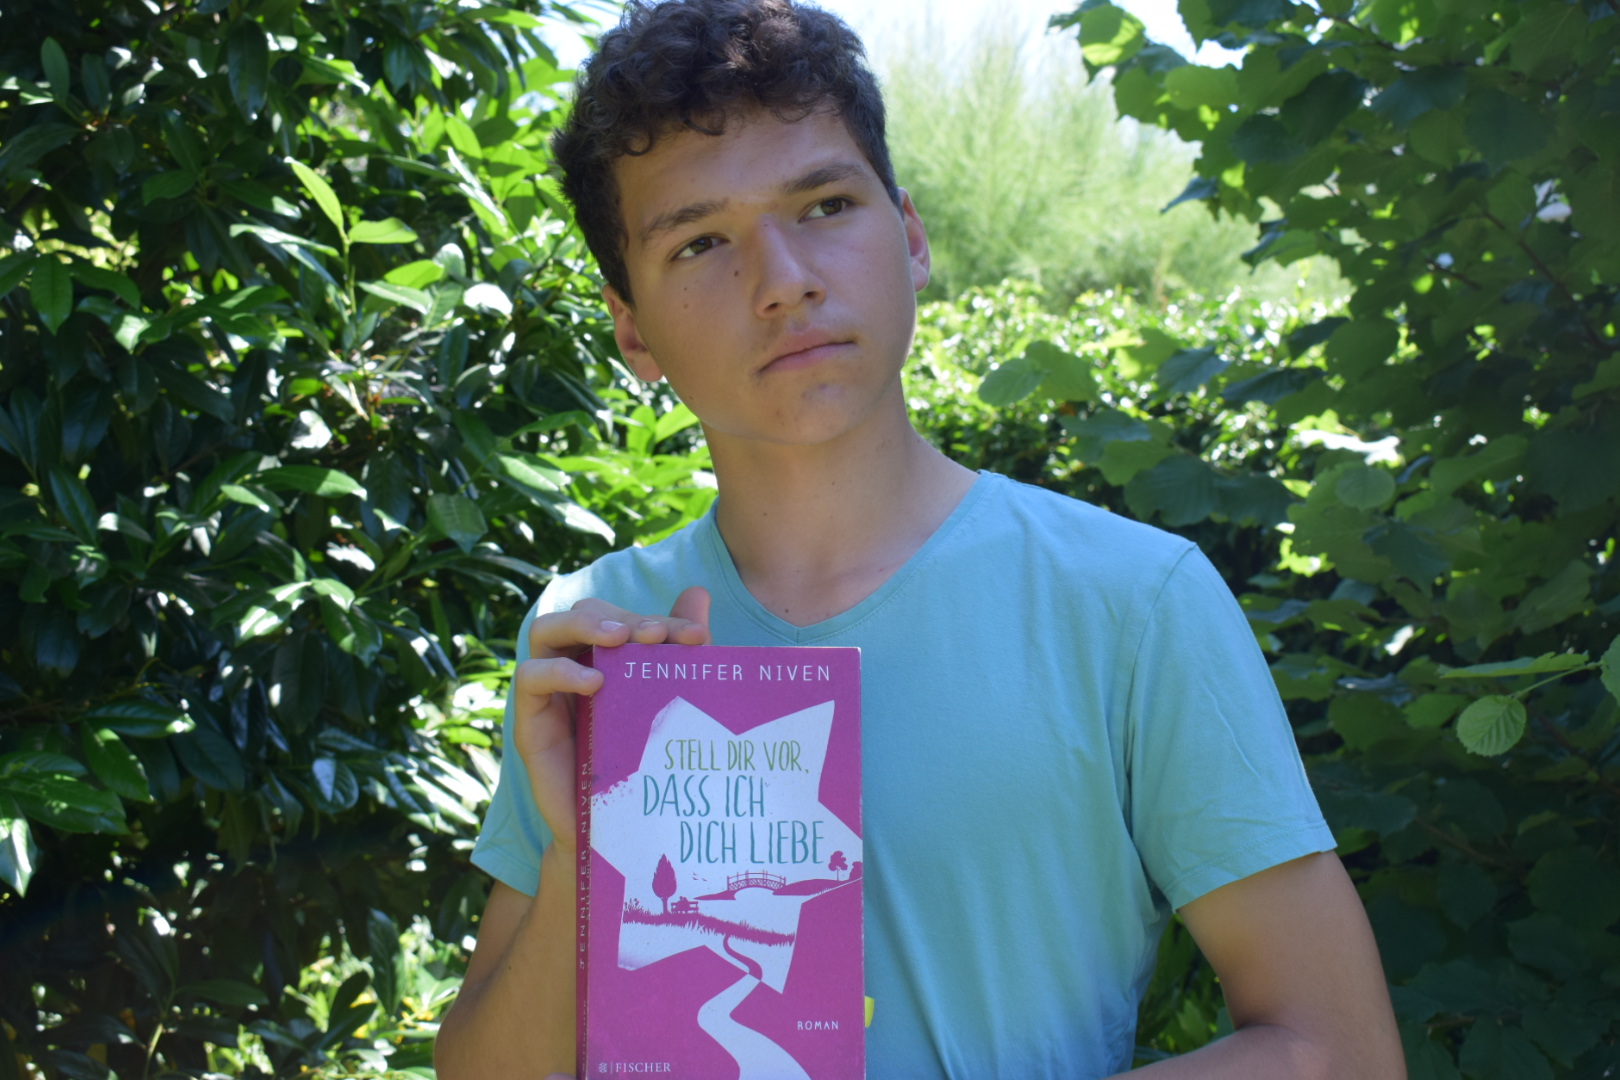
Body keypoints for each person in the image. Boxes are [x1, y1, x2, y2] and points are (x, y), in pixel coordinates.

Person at [433, 1, 1405, 1077]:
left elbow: (1338, 1052)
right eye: (701, 243)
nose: (784, 281)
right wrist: (588, 855)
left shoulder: (1132, 602)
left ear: (910, 237)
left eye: (825, 205)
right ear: (632, 329)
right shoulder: (602, 638)